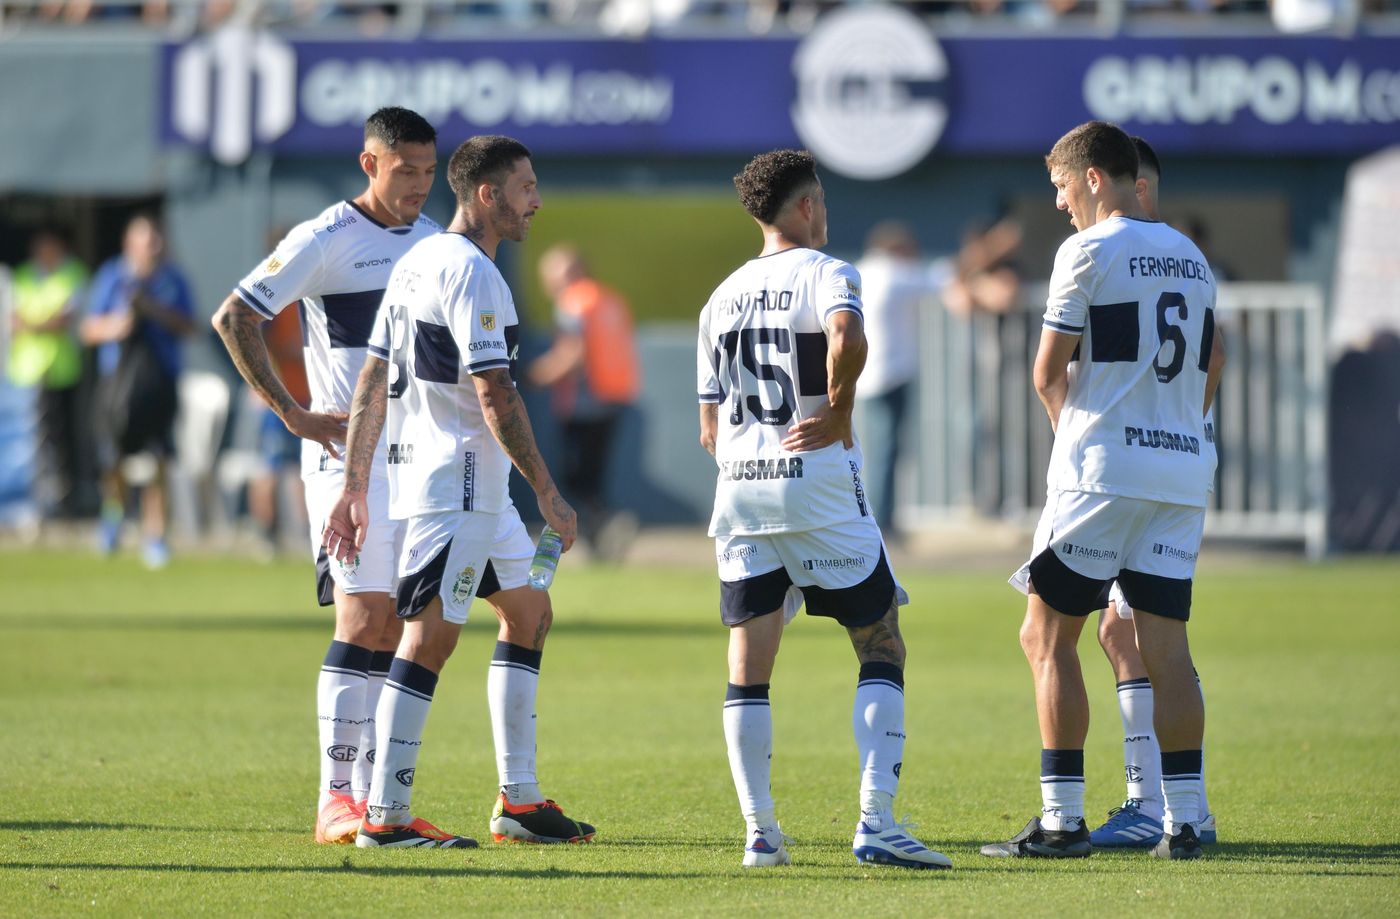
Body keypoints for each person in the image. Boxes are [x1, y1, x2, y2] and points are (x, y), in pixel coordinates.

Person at [323, 134, 595, 849]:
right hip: (461, 484)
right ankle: (383, 816)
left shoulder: (415, 263)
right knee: (430, 637)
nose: (536, 200)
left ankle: (520, 800)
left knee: (530, 612)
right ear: (486, 195)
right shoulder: (475, 273)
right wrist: (550, 492)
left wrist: (356, 485)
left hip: (468, 487)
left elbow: (372, 379)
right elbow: (495, 390)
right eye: (526, 186)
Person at [696, 149, 951, 870]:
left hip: (740, 488)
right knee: (880, 642)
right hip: (816, 482)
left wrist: (751, 463)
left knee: (749, 661)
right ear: (806, 206)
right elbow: (845, 335)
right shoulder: (830, 272)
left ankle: (759, 832)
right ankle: (876, 820)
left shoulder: (720, 297)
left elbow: (708, 425)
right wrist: (839, 411)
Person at [980, 121, 1223, 862]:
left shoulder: (1086, 250)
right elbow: (1211, 369)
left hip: (1103, 473)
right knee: (1165, 645)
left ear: (1092, 178)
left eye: (1060, 186)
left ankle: (1062, 818)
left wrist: (1078, 438)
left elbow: (1047, 371)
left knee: (1046, 633)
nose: (1058, 204)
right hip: (1181, 472)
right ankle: (1185, 820)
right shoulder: (1192, 256)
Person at [211, 107, 441, 844]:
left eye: (429, 171)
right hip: (346, 461)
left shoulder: (435, 242)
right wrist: (291, 411)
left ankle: (377, 803)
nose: (418, 185)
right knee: (362, 616)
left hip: (416, 462)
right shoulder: (324, 238)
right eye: (405, 170)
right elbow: (234, 318)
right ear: (369, 163)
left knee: (396, 625)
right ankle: (334, 798)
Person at [1087, 136, 1217, 850]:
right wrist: (1194, 426)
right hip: (1175, 462)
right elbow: (1214, 351)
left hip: (1133, 468)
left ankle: (1160, 802)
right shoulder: (1182, 256)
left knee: (1144, 632)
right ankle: (1174, 803)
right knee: (1128, 628)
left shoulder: (1117, 253)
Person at [82, 213, 196, 569]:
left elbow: (190, 324)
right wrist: (117, 326)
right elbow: (88, 328)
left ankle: (155, 535)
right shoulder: (112, 276)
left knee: (156, 459)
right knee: (113, 457)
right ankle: (113, 520)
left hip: (159, 383)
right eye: (147, 242)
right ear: (129, 245)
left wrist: (153, 311)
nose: (153, 248)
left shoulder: (172, 279)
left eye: (157, 241)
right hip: (117, 385)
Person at [527, 243, 640, 559]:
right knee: (592, 475)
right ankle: (601, 533)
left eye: (551, 275)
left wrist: (533, 377)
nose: (548, 283)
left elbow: (572, 354)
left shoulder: (574, 303)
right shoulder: (608, 299)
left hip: (583, 401)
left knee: (575, 476)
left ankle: (601, 528)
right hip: (613, 397)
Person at [851, 222, 945, 541]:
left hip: (865, 376)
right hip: (890, 375)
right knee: (886, 451)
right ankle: (882, 522)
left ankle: (879, 518)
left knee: (877, 450)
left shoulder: (861, 272)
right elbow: (938, 280)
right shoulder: (893, 273)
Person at [8, 228, 88, 519]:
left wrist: (34, 325)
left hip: (60, 373)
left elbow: (64, 320)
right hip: (25, 375)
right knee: (29, 442)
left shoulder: (73, 273)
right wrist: (37, 324)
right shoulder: (24, 275)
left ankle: (64, 504)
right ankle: (31, 502)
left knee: (61, 441)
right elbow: (13, 318)